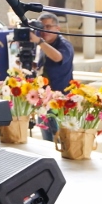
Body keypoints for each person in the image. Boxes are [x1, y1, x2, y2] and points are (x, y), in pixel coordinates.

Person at [29, 12, 74, 141]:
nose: (44, 31)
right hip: (44, 100)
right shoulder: (43, 44)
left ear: (57, 28)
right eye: (41, 28)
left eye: (48, 27)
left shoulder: (64, 44)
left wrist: (39, 41)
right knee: (47, 140)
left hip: (60, 101)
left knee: (59, 139)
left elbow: (57, 57)